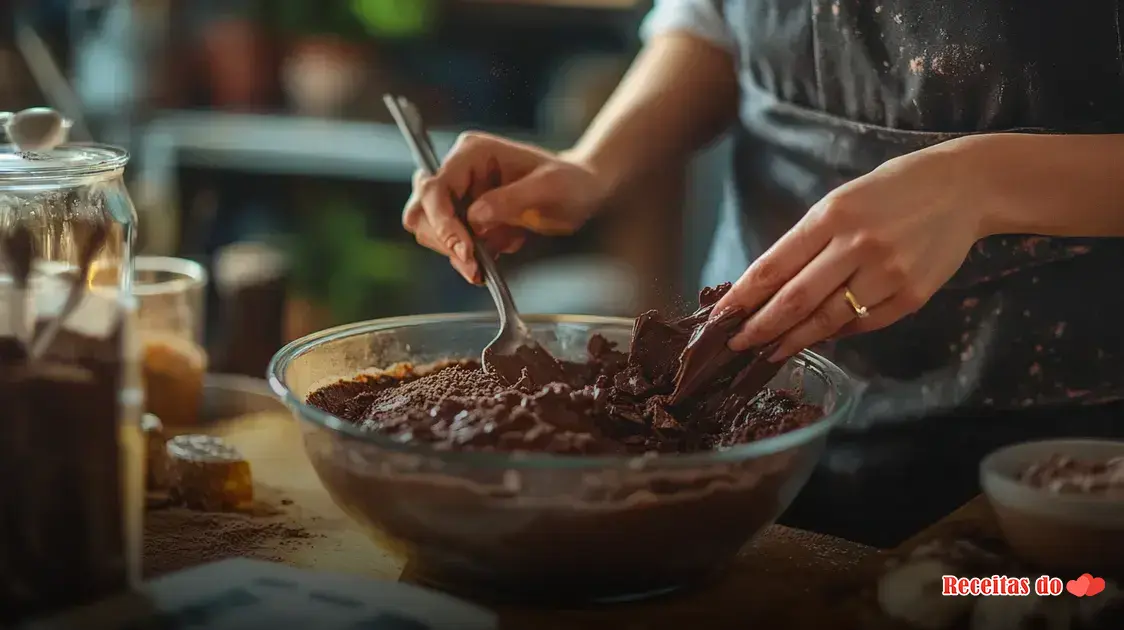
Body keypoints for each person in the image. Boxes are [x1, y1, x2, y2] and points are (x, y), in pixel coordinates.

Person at [401, 0, 1124, 546]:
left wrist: (984, 184)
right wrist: (595, 163)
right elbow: (718, 21)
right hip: (744, 419)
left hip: (1063, 460)